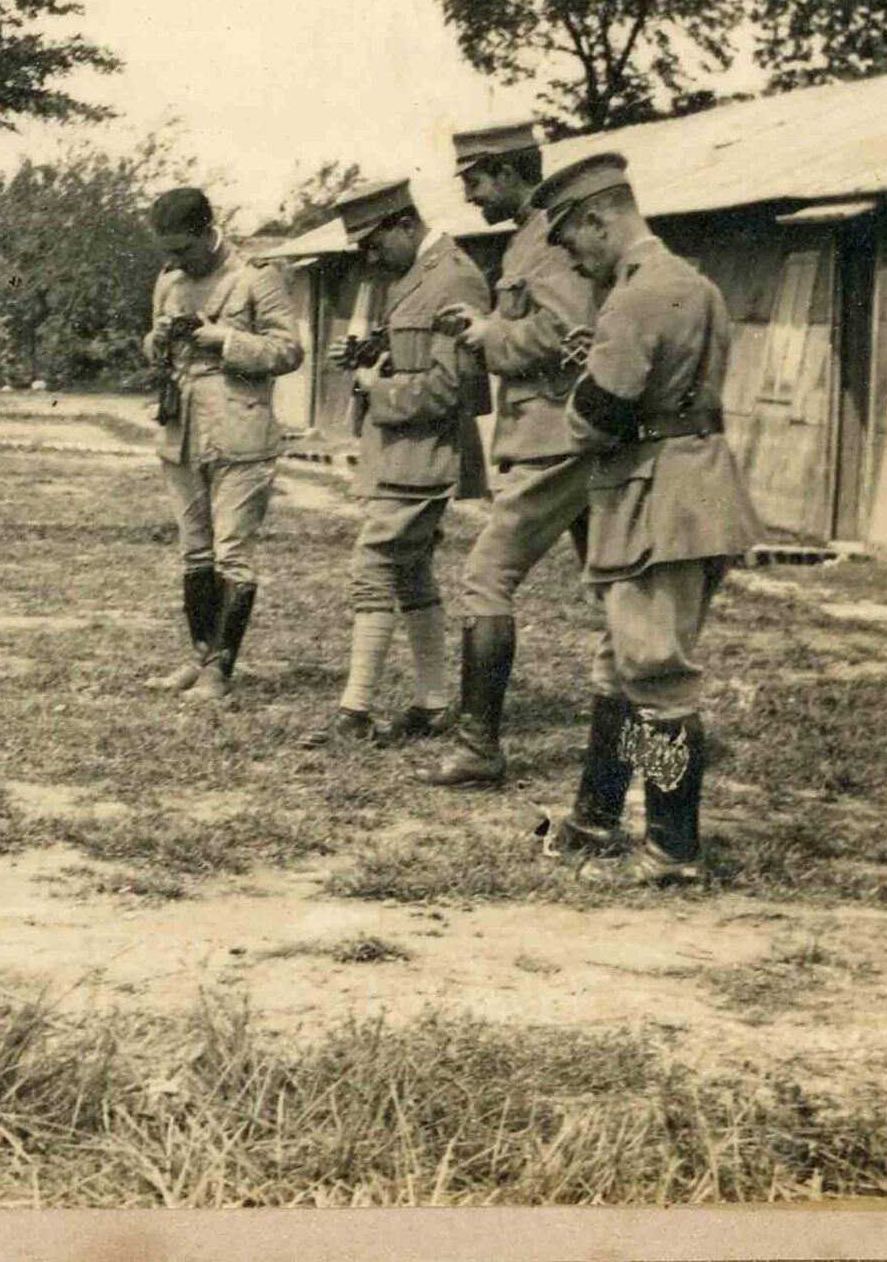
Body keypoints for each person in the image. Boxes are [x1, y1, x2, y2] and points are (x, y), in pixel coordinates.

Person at [532, 153, 761, 883]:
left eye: (571, 239)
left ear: (599, 220)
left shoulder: (633, 298)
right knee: (622, 664)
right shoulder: (694, 284)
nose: (572, 255)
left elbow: (598, 418)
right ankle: (596, 818)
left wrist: (575, 395)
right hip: (696, 493)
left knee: (656, 675)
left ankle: (671, 849)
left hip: (654, 501)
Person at [416, 121, 607, 789]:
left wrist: (492, 334)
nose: (470, 196)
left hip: (556, 436)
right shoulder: (530, 237)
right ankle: (638, 732)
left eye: (474, 180)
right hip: (562, 432)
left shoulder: (549, 239)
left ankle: (479, 748)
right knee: (613, 591)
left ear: (505, 171)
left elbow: (567, 330)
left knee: (485, 578)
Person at [312, 178, 491, 749]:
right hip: (401, 453)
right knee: (410, 571)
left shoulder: (455, 277)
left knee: (375, 566)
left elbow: (448, 391)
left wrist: (375, 386)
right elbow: (410, 355)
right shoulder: (413, 275)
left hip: (428, 452)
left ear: (403, 223)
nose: (369, 257)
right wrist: (371, 355)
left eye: (373, 243)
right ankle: (434, 704)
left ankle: (356, 711)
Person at [141, 187, 304, 702]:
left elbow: (289, 351)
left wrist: (225, 342)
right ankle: (197, 657)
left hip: (239, 433)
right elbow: (153, 350)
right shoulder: (170, 281)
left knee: (232, 554)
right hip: (182, 432)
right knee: (195, 552)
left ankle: (221, 670)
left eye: (184, 250)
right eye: (167, 251)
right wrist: (158, 342)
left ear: (209, 231)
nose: (175, 261)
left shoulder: (256, 277)